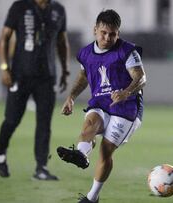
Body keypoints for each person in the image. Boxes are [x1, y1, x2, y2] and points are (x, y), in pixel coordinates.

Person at [57, 9, 146, 203]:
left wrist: (126, 92)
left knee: (105, 151)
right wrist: (71, 97)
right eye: (103, 33)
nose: (107, 37)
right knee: (90, 124)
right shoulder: (86, 53)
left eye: (112, 34)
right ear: (95, 30)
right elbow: (83, 76)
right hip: (100, 101)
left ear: (118, 34)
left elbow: (140, 77)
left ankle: (92, 197)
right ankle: (80, 154)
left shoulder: (126, 51)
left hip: (127, 106)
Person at [0, 0, 70, 181]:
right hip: (21, 75)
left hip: (47, 77)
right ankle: (0, 153)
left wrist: (65, 70)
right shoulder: (20, 6)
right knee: (12, 120)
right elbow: (4, 37)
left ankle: (41, 167)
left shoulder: (58, 10)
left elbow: (62, 41)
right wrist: (5, 67)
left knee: (44, 123)